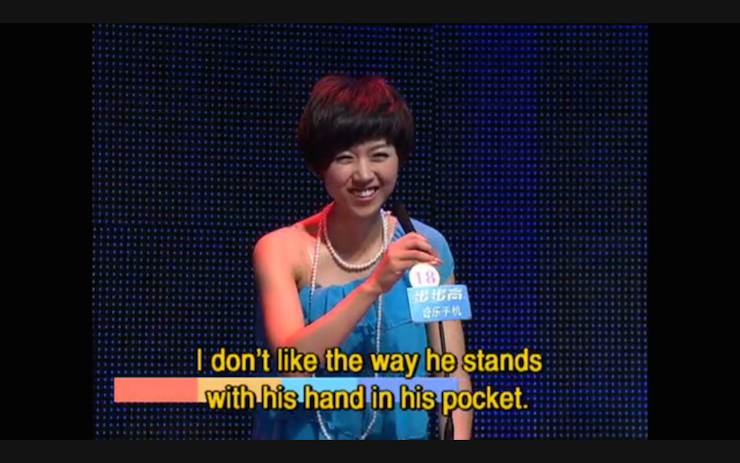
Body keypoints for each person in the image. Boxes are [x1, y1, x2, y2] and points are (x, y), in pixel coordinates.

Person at [251, 75, 472, 439]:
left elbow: (452, 371)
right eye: (345, 158)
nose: (365, 174)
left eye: (380, 155)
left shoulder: (426, 246)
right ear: (320, 165)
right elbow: (292, 367)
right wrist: (373, 286)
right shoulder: (280, 249)